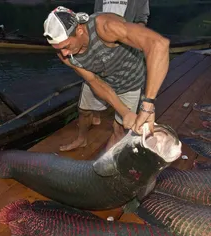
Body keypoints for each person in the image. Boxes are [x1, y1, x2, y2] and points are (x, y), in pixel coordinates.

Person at [43, 6, 170, 151]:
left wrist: (148, 104)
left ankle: (106, 164)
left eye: (66, 46)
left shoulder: (105, 27)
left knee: (119, 129)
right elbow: (94, 81)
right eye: (58, 48)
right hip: (99, 77)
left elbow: (159, 44)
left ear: (79, 30)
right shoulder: (64, 54)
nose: (64, 54)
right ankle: (82, 139)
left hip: (129, 80)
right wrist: (125, 112)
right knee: (84, 111)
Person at [90, 0, 150, 125]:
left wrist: (134, 37)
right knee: (95, 80)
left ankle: (125, 113)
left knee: (127, 80)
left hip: (125, 43)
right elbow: (95, 15)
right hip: (101, 43)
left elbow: (141, 19)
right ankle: (96, 112)